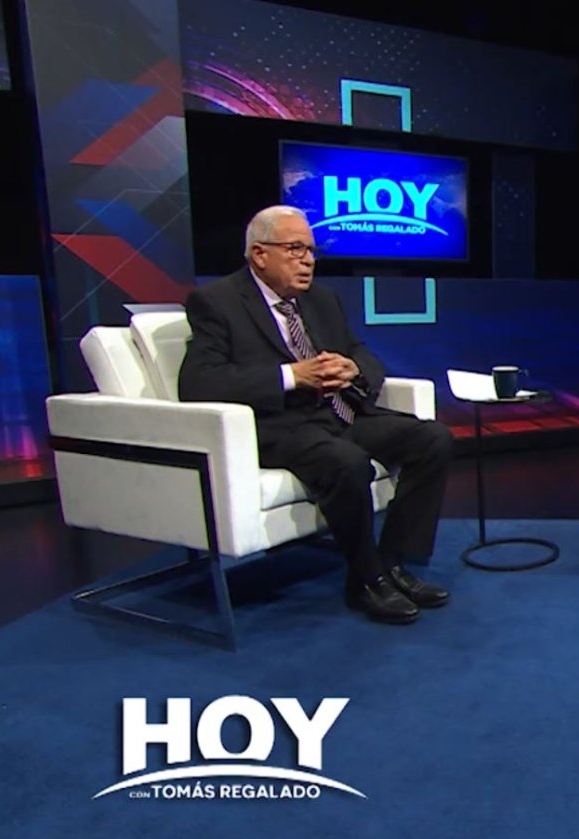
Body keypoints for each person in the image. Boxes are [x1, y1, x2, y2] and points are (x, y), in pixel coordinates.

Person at [178, 205, 454, 625]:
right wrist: (292, 376)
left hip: (340, 414)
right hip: (280, 425)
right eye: (295, 249)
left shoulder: (322, 299)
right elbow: (199, 383)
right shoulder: (216, 302)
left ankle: (392, 564)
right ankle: (365, 581)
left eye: (311, 250)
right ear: (259, 254)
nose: (308, 260)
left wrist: (352, 368)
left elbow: (360, 351)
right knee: (348, 462)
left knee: (433, 438)